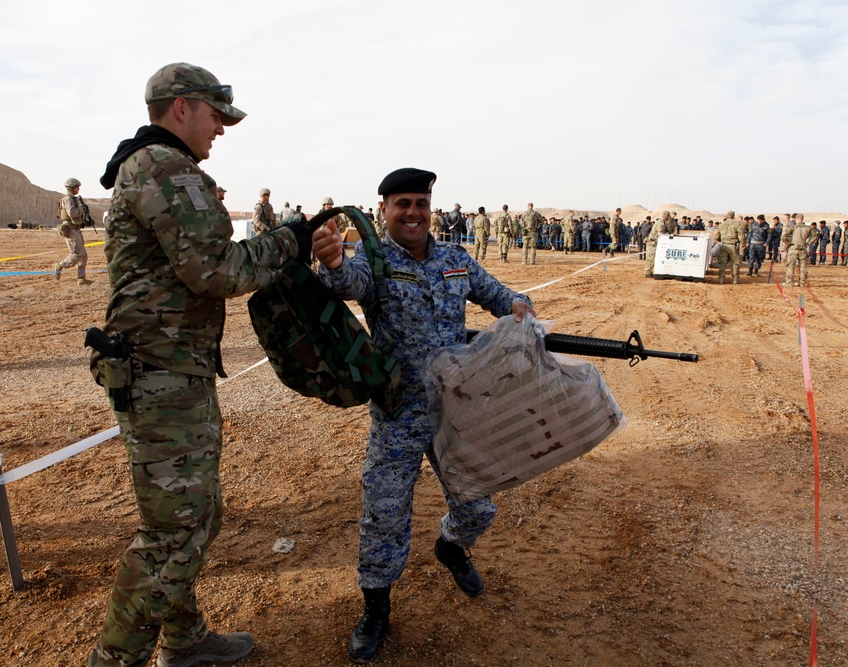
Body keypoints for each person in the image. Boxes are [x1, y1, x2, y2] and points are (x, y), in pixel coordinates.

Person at [89, 62, 312, 667]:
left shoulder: (156, 166)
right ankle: (117, 658)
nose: (221, 129)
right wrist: (292, 239)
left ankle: (182, 639)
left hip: (171, 370)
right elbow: (215, 270)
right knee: (174, 531)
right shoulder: (164, 167)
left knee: (194, 515)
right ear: (182, 107)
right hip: (160, 373)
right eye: (216, 116)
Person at [311, 168, 534, 664]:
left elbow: (499, 296)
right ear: (384, 210)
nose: (413, 213)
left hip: (455, 408)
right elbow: (346, 281)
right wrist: (330, 262)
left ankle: (452, 547)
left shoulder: (455, 259)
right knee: (384, 513)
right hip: (399, 411)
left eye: (420, 203)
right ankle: (376, 608)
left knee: (478, 507)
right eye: (402, 204)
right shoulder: (375, 260)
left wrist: (520, 307)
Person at [54, 177, 94, 285]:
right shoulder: (68, 200)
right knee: (77, 254)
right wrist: (83, 209)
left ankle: (81, 279)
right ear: (72, 188)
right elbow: (72, 213)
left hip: (75, 229)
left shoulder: (74, 199)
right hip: (70, 230)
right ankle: (60, 265)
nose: (78, 189)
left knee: (83, 255)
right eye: (77, 187)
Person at [781, 214, 819, 287]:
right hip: (803, 248)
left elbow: (784, 236)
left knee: (791, 266)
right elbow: (815, 235)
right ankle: (802, 283)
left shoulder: (793, 228)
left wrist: (788, 241)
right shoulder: (808, 228)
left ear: (796, 219)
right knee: (803, 266)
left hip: (793, 248)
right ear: (802, 219)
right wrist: (809, 242)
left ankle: (789, 282)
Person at [713, 211, 745, 284]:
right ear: (733, 216)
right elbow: (741, 235)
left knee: (722, 263)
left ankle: (721, 279)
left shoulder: (721, 225)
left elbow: (716, 236)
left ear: (727, 216)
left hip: (723, 245)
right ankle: (735, 279)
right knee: (735, 263)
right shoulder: (737, 224)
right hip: (733, 245)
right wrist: (743, 244)